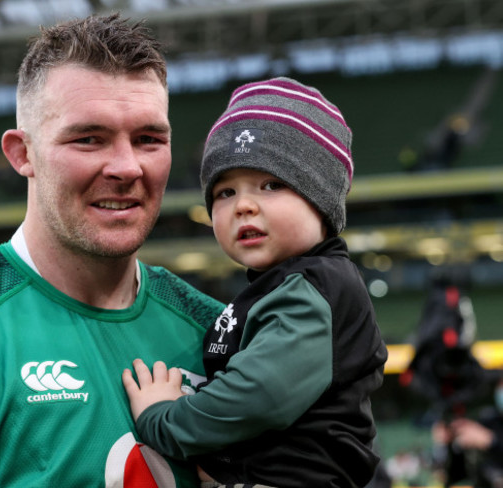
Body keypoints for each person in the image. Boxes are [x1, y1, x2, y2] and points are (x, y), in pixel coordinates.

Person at [0, 14, 224, 488]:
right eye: (89, 138)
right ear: (21, 153)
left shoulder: (217, 332)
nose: (128, 166)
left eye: (149, 139)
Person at [123, 77, 389, 487]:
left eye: (271, 185)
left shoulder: (317, 287)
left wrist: (163, 418)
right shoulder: (280, 285)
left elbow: (256, 398)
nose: (244, 205)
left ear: (320, 198)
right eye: (225, 192)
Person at [431, 376, 503, 488]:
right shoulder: (491, 420)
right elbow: (454, 476)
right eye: (500, 385)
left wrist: (492, 441)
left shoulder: (492, 431)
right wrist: (447, 444)